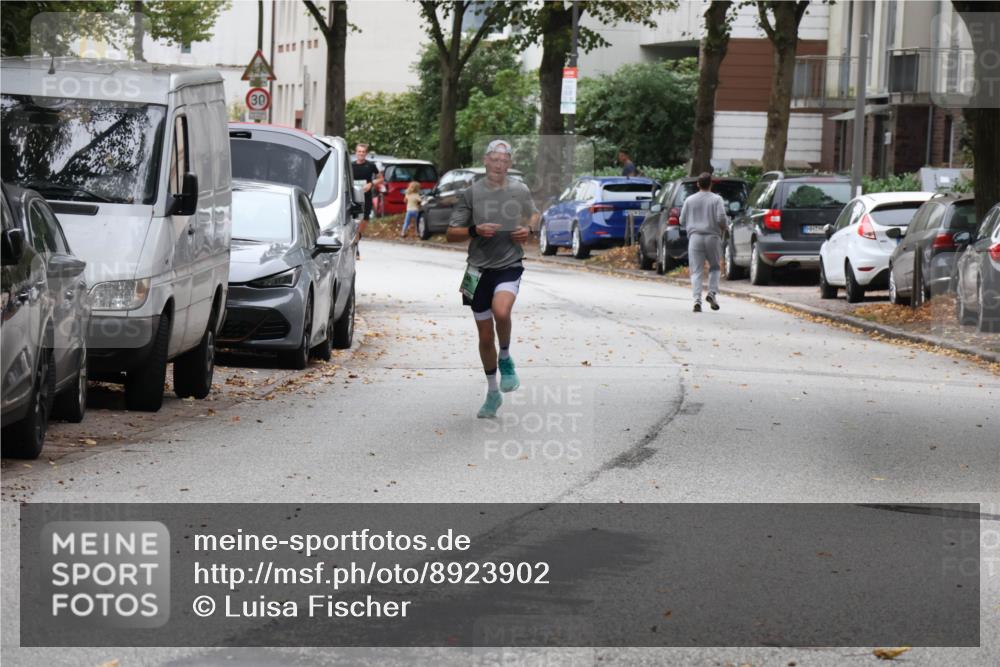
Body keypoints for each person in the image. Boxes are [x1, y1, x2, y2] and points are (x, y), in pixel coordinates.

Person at [447, 139, 539, 419]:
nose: (499, 164)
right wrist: (474, 230)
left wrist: (529, 230)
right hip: (477, 270)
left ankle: (506, 357)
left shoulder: (519, 189)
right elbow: (451, 233)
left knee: (501, 310)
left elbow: (534, 214)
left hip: (509, 264)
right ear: (486, 161)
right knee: (485, 336)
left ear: (509, 163)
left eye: (504, 160)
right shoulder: (471, 193)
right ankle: (492, 392)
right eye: (494, 159)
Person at [680, 172, 727, 312]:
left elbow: (681, 220)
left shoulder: (689, 200)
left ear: (697, 184)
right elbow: (721, 218)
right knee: (715, 267)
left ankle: (697, 300)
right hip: (713, 237)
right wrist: (724, 227)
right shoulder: (717, 199)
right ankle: (712, 293)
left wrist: (691, 224)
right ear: (711, 184)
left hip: (695, 237)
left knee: (696, 271)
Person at [351, 143, 383, 255]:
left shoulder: (370, 165)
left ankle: (356, 239)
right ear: (356, 153)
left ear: (366, 153)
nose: (361, 154)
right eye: (359, 151)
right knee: (354, 221)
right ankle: (355, 245)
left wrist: (371, 183)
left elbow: (381, 178)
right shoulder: (350, 166)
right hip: (354, 197)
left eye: (363, 152)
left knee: (364, 220)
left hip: (366, 197)